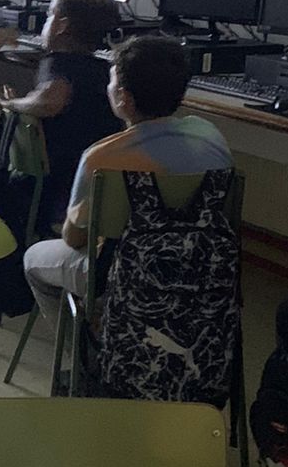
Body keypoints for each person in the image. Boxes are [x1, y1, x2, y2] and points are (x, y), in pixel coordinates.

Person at [22, 34, 231, 348]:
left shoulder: (101, 158)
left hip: (124, 272)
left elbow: (75, 239)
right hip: (201, 267)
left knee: (34, 260)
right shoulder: (211, 137)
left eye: (112, 82)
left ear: (123, 98)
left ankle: (86, 357)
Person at [0, 0, 121, 231]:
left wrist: (11, 104)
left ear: (62, 26)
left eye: (48, 16)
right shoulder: (103, 69)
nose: (45, 24)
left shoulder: (58, 62)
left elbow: (51, 100)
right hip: (100, 179)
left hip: (62, 184)